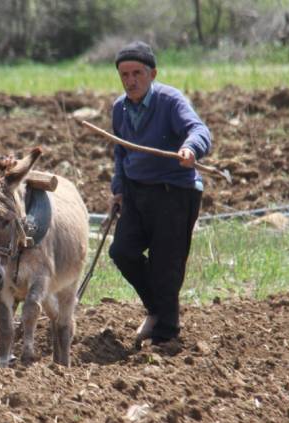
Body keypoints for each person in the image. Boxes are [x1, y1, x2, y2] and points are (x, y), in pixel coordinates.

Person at [107, 41, 212, 347]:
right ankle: (158, 309)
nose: (130, 81)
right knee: (122, 252)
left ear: (152, 73)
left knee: (166, 262)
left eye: (137, 73)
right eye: (124, 74)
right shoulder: (119, 108)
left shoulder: (170, 100)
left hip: (174, 191)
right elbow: (120, 153)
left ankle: (166, 332)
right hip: (136, 192)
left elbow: (199, 130)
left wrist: (191, 148)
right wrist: (118, 189)